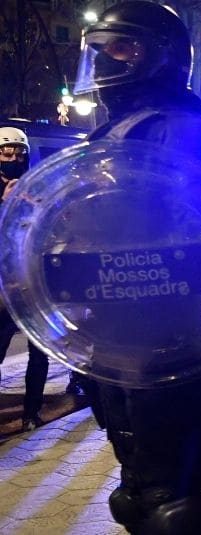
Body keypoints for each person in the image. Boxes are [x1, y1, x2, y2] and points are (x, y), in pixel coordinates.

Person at [71, 2, 201, 533]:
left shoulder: (190, 130)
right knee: (135, 495)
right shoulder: (105, 136)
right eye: (98, 49)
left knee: (175, 506)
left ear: (159, 55)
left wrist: (131, 255)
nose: (103, 61)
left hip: (164, 342)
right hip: (111, 342)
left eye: (119, 47)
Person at [0, 127, 50, 432]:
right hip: (4, 287)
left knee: (39, 352)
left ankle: (32, 413)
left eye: (20, 154)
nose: (14, 159)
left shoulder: (32, 187)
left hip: (31, 283)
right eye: (7, 154)